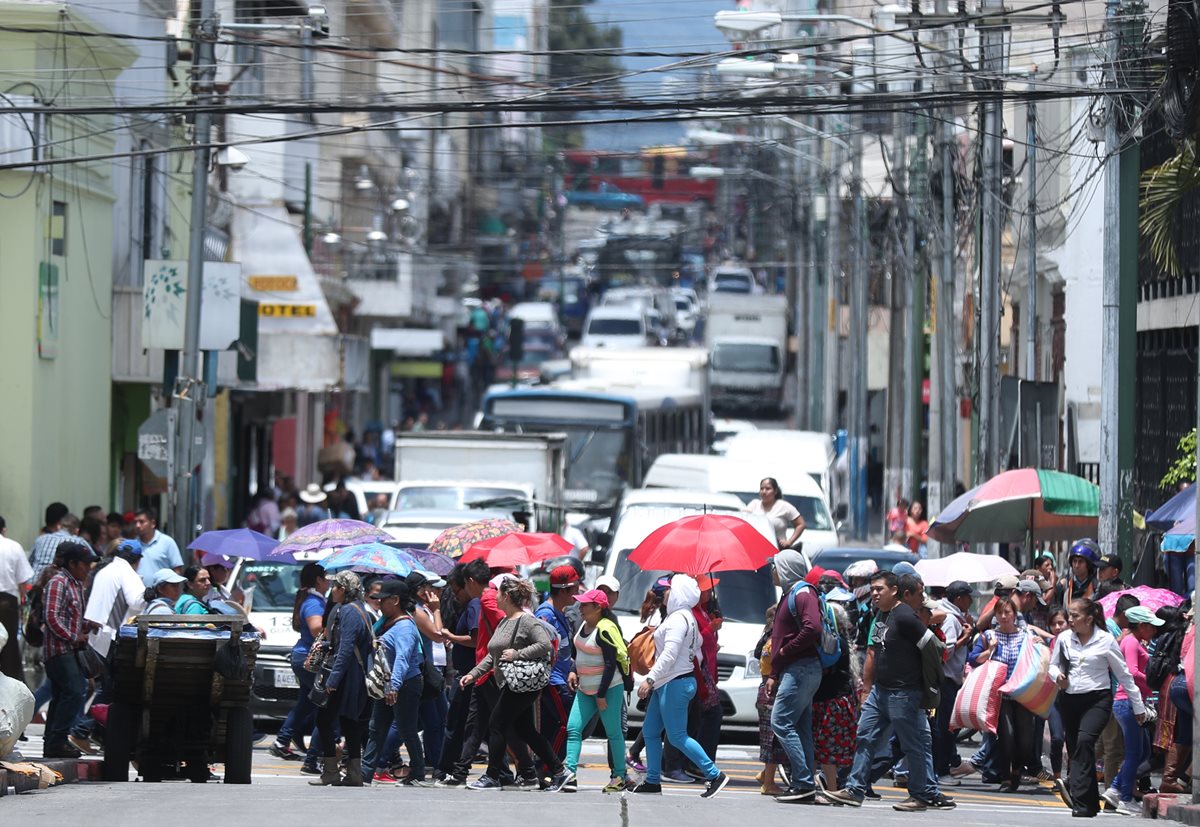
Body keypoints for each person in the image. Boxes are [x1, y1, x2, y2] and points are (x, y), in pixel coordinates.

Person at [826, 571, 955, 811]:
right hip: (880, 692)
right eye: (873, 589)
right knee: (865, 737)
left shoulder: (905, 615)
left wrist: (928, 682)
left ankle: (919, 796)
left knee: (912, 744)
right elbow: (874, 650)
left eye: (879, 589)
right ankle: (854, 790)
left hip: (904, 693)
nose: (874, 593)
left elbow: (933, 646)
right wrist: (867, 688)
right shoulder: (881, 614)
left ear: (894, 591)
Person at [459, 577, 569, 791]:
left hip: (523, 684)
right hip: (511, 683)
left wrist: (518, 654)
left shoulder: (526, 621)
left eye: (498, 593)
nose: (495, 597)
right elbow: (495, 656)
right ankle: (559, 771)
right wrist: (473, 674)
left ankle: (492, 776)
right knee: (526, 730)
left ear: (506, 596)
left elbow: (544, 645)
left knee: (496, 724)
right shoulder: (504, 621)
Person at [630, 574, 730, 799]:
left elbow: (670, 654)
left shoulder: (678, 619)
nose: (665, 592)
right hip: (672, 682)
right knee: (651, 732)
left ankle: (714, 775)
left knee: (676, 736)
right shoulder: (685, 616)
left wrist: (650, 678)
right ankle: (653, 780)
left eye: (669, 589)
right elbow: (698, 648)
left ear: (678, 594)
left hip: (673, 683)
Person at [1050, 597, 1147, 818]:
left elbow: (1124, 674)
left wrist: (1138, 707)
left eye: (1075, 616)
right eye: (1069, 615)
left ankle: (1081, 801)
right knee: (1076, 749)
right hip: (1070, 699)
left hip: (1097, 700)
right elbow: (1053, 665)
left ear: (1089, 618)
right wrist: (1058, 676)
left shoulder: (1105, 640)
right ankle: (1090, 802)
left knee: (1085, 742)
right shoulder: (1064, 639)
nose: (1070, 620)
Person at [766, 548, 826, 803]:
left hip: (801, 668)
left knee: (780, 722)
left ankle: (802, 781)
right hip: (797, 669)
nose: (772, 570)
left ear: (786, 569)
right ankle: (804, 783)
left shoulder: (802, 593)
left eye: (775, 566)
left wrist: (785, 651)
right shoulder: (791, 593)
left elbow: (812, 627)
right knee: (800, 728)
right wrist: (775, 671)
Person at [558, 588, 632, 793]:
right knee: (573, 729)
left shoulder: (605, 629)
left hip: (608, 690)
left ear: (598, 607)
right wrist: (574, 670)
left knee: (614, 733)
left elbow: (610, 665)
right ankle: (570, 774)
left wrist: (601, 695)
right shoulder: (584, 624)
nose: (580, 608)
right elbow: (578, 651)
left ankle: (619, 776)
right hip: (585, 688)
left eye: (584, 605)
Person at [310, 571, 374, 787]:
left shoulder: (349, 612)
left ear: (344, 590)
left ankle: (331, 772)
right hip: (351, 675)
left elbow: (346, 650)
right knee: (349, 722)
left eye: (335, 586)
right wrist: (327, 645)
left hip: (346, 677)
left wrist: (332, 681)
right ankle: (354, 774)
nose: (331, 590)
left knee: (324, 720)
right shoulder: (354, 609)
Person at [967, 596, 1036, 793]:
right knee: (1007, 736)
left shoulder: (1025, 635)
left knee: (1025, 741)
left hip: (1021, 693)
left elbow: (1038, 656)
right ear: (995, 615)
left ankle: (1016, 771)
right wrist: (990, 650)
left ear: (1015, 615)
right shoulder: (989, 636)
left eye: (1008, 612)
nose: (1004, 616)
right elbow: (972, 660)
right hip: (999, 695)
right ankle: (1005, 777)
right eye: (1000, 613)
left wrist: (1038, 643)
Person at [42, 542, 100, 758]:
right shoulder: (59, 582)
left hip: (69, 649)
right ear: (72, 563)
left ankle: (53, 743)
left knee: (61, 694)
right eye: (84, 564)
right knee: (76, 690)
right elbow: (51, 616)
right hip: (58, 650)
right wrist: (73, 637)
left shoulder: (76, 585)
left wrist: (87, 626)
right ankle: (58, 739)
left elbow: (71, 618)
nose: (88, 568)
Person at [366, 580, 427, 786]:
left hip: (404, 684)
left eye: (383, 600)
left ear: (395, 600)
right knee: (376, 727)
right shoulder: (385, 622)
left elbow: (402, 658)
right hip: (387, 683)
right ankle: (365, 772)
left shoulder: (404, 627)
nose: (379, 603)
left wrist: (394, 685)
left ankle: (418, 773)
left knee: (406, 729)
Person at [1102, 605, 1161, 814]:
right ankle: (1125, 798)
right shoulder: (1131, 642)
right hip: (1127, 702)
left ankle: (1116, 788)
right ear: (1142, 626)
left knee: (1142, 751)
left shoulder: (1135, 642)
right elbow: (1132, 673)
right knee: (1135, 752)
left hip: (1132, 703)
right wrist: (1154, 683)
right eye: (1151, 626)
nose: (1154, 630)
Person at [272, 563, 329, 769]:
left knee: (306, 703)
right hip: (308, 660)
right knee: (326, 703)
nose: (330, 580)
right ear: (318, 580)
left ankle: (281, 741)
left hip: (302, 658)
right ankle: (319, 754)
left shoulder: (314, 600)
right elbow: (316, 630)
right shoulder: (314, 603)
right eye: (327, 576)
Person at [438, 561, 488, 782]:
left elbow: (476, 639)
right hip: (470, 674)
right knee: (477, 727)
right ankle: (503, 772)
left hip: (469, 674)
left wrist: (452, 637)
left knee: (456, 726)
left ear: (467, 584)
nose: (455, 596)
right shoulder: (473, 605)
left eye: (456, 590)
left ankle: (446, 770)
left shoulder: (474, 605)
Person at [536, 564, 581, 767]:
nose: (577, 594)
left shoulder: (560, 612)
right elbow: (541, 647)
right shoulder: (546, 615)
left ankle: (543, 768)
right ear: (563, 590)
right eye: (575, 589)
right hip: (552, 681)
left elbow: (562, 651)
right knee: (568, 725)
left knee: (552, 727)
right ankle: (550, 768)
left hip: (562, 678)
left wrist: (572, 668)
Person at [812, 600, 859, 792]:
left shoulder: (832, 641)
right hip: (838, 700)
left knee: (827, 749)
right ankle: (825, 784)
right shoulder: (839, 639)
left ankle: (831, 788)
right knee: (827, 748)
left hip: (831, 702)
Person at [407, 570, 449, 774]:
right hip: (421, 671)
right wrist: (437, 610)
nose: (430, 591)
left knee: (440, 717)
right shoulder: (416, 611)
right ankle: (381, 761)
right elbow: (437, 635)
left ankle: (437, 760)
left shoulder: (420, 609)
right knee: (427, 721)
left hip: (429, 671)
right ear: (418, 590)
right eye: (426, 587)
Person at [933, 581, 974, 784]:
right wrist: (964, 639)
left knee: (948, 726)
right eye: (968, 597)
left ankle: (948, 763)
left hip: (951, 679)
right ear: (959, 598)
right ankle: (941, 771)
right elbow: (945, 651)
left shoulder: (955, 616)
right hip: (946, 680)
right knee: (944, 727)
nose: (971, 601)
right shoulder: (951, 619)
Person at [83, 539, 145, 659]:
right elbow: (136, 602)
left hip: (92, 633)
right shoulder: (127, 573)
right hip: (109, 637)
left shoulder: (105, 570)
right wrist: (149, 594)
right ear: (138, 560)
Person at [754, 604, 788, 795]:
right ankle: (768, 783)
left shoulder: (767, 637)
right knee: (773, 739)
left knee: (769, 736)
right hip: (771, 690)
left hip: (765, 689)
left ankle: (765, 774)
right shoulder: (775, 640)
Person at [0, 515, 33, 682]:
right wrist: (23, 604)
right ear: (3, 529)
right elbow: (23, 581)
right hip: (7, 604)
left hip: (8, 602)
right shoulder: (13, 547)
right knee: (9, 647)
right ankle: (11, 685)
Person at [745, 477, 805, 549]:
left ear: (775, 491)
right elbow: (743, 519)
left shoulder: (784, 506)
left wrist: (789, 541)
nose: (764, 492)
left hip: (777, 549)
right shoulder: (754, 504)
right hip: (756, 547)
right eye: (762, 489)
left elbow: (801, 524)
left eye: (768, 489)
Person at [132, 508, 183, 588]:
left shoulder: (167, 542)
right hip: (138, 594)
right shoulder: (133, 545)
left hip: (161, 595)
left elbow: (177, 570)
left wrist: (170, 589)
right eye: (135, 522)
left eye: (141, 522)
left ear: (152, 523)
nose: (137, 526)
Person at [29, 502, 74, 578]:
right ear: (61, 523)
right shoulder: (72, 540)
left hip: (33, 583)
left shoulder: (40, 539)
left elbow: (30, 563)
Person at [1054, 539, 1100, 606]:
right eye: (1074, 561)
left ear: (1088, 565)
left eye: (1081, 562)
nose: (1076, 565)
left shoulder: (1096, 587)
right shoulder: (1064, 586)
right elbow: (1056, 609)